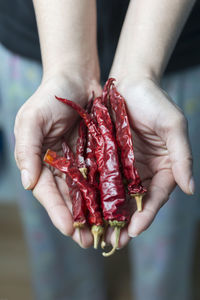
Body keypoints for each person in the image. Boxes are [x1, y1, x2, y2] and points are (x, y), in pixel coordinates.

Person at [1, 0, 199, 299]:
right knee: (58, 248)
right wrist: (67, 69)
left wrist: (139, 72)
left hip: (172, 40)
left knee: (166, 245)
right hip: (39, 38)